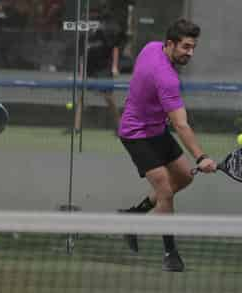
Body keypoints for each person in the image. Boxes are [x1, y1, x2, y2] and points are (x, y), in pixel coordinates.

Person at [118, 18, 217, 272]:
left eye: (193, 47)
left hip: (156, 130)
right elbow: (181, 125)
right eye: (185, 47)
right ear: (170, 44)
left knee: (184, 177)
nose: (190, 53)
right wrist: (201, 157)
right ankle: (170, 253)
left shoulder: (151, 47)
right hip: (135, 133)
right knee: (165, 187)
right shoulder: (167, 79)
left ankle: (133, 216)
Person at [70, 10, 121, 135]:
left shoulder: (104, 34)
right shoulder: (83, 37)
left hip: (103, 69)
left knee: (109, 98)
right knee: (81, 98)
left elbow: (114, 48)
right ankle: (76, 128)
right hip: (89, 69)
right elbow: (82, 55)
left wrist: (114, 66)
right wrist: (82, 73)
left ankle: (120, 127)